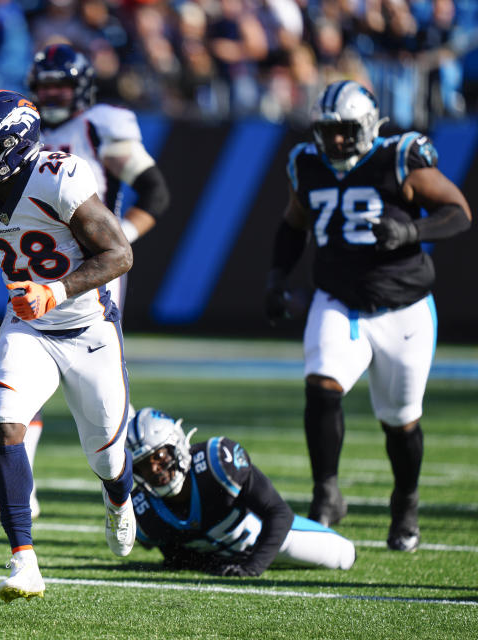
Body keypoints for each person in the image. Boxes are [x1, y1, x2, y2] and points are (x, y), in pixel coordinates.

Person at [0, 90, 135, 602]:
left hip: (88, 328)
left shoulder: (58, 177)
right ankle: (23, 559)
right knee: (6, 424)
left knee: (107, 459)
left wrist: (58, 288)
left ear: (16, 146)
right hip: (27, 328)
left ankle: (118, 497)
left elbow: (120, 253)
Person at [265, 80, 471, 553]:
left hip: (404, 308)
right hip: (338, 300)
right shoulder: (306, 163)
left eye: (345, 130)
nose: (335, 140)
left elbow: (458, 212)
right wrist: (277, 276)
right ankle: (327, 493)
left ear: (368, 126)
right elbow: (293, 223)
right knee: (321, 385)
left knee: (400, 422)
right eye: (327, 130)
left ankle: (406, 503)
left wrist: (411, 229)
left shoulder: (398, 157)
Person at [0, 43, 171, 520]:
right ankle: (21, 487)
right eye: (44, 85)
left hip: (89, 266)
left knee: (96, 390)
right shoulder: (19, 127)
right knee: (25, 366)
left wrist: (119, 239)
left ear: (82, 88)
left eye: (60, 86)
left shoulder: (102, 123)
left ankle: (116, 476)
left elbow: (155, 191)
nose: (51, 94)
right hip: (34, 260)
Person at [126, 407, 356, 576]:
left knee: (344, 554)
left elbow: (278, 512)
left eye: (158, 456)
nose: (154, 469)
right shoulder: (141, 511)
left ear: (175, 445)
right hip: (227, 555)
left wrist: (251, 567)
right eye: (143, 464)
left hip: (268, 539)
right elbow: (173, 553)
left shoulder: (217, 464)